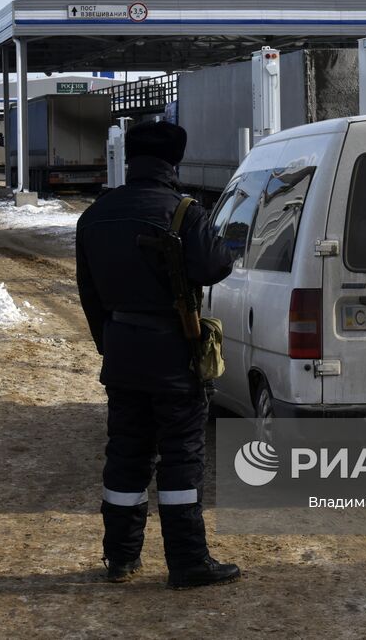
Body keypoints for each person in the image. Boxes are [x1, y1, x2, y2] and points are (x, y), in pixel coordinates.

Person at [75, 121, 240, 589]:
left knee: (126, 456)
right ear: (175, 161)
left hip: (123, 354)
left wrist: (112, 344)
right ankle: (187, 562)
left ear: (130, 159)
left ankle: (121, 558)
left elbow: (89, 295)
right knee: (181, 460)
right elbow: (216, 266)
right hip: (175, 358)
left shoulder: (96, 214)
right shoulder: (184, 211)